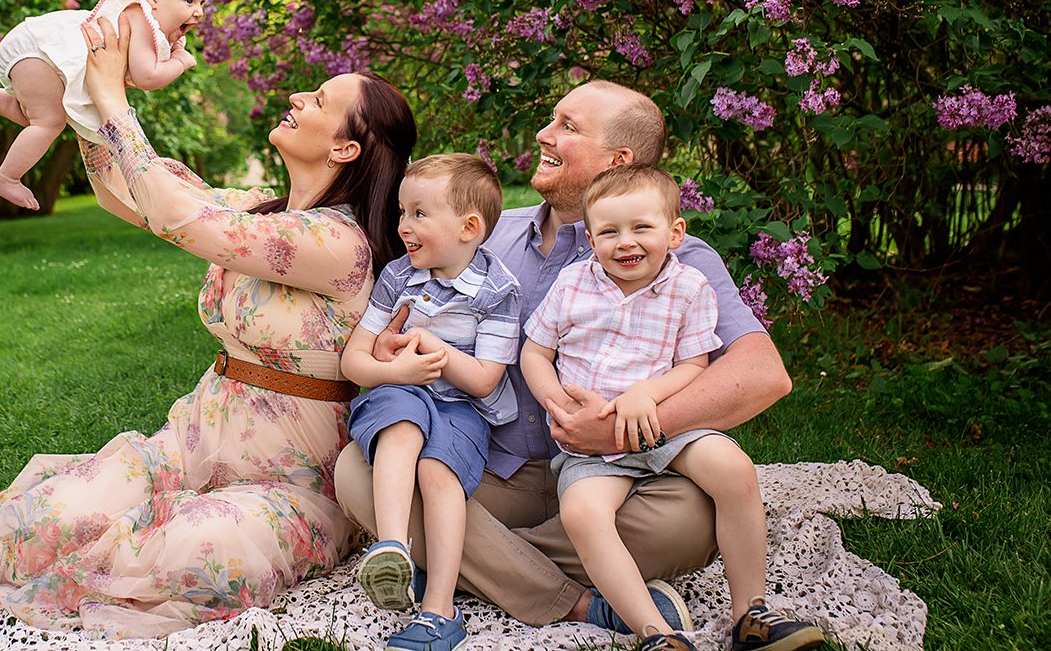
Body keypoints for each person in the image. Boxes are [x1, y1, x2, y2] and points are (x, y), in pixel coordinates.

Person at [0, 11, 418, 638]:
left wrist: (114, 102)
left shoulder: (339, 243)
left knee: (200, 551)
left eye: (317, 100)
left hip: (287, 481)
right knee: (52, 518)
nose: (296, 97)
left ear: (346, 148)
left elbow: (185, 218)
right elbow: (129, 191)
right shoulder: (256, 211)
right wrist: (83, 89)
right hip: (194, 440)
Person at [334, 79, 794, 641]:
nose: (543, 134)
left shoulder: (675, 257)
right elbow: (409, 312)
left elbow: (763, 374)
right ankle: (576, 599)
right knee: (361, 471)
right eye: (552, 119)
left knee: (693, 519)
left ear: (617, 160)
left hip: (622, 478)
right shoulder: (485, 235)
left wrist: (625, 430)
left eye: (567, 127)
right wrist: (393, 348)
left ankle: (468, 564)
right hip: (490, 471)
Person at [521, 164, 823, 651]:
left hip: (663, 427)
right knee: (582, 514)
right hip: (590, 445)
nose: (625, 242)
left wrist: (647, 394)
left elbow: (693, 365)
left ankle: (752, 613)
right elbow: (535, 352)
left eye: (641, 227)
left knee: (734, 469)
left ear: (675, 232)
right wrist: (556, 401)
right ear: (591, 240)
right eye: (609, 232)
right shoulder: (572, 284)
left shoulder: (689, 288)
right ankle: (655, 633)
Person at [340, 154, 521, 651]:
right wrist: (394, 373)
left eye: (419, 213)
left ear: (469, 228)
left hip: (462, 407)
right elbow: (354, 361)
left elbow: (484, 380)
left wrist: (431, 345)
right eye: (402, 212)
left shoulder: (498, 291)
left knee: (438, 474)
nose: (403, 226)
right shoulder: (398, 277)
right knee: (401, 423)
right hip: (400, 390)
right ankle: (391, 549)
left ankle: (440, 610)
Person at [0, 0, 214, 210]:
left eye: (202, 2)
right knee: (49, 122)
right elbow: (147, 77)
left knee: (38, 117)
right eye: (189, 0)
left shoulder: (144, 21)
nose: (198, 12)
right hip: (37, 52)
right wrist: (180, 62)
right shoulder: (139, 16)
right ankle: (6, 177)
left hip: (34, 52)